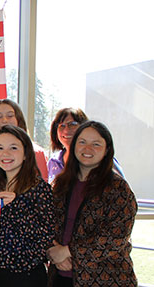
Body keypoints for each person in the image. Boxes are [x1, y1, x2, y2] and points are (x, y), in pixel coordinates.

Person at [46, 121, 137, 287]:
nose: (87, 149)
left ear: (107, 150)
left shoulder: (118, 189)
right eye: (82, 142)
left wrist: (67, 252)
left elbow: (116, 237)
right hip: (60, 277)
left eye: (96, 144)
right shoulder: (60, 185)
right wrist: (54, 253)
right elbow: (46, 222)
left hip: (106, 279)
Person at [0, 125, 54, 287]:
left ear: (26, 153)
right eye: (0, 148)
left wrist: (17, 206)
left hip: (28, 275)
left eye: (13, 148)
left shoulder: (40, 189)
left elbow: (45, 237)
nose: (5, 154)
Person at [47, 108, 124, 183]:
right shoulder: (53, 161)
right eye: (61, 125)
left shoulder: (101, 159)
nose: (66, 130)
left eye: (72, 124)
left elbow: (120, 189)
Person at [0, 99, 48, 181]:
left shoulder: (36, 153)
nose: (4, 120)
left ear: (19, 119)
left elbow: (42, 187)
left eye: (10, 116)